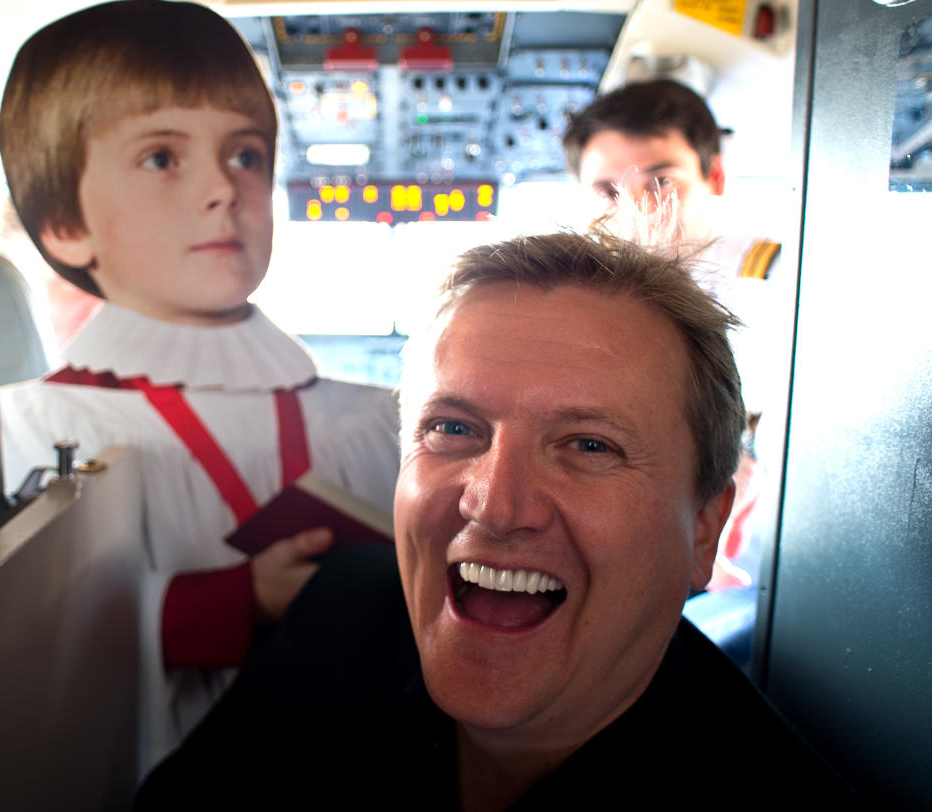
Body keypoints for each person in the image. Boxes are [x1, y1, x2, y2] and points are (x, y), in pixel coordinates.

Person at [136, 231, 859, 809]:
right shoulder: (343, 605)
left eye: (588, 445)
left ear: (703, 530)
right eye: (453, 429)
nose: (494, 503)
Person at [0, 0, 400, 775]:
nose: (223, 188)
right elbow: (24, 658)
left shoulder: (379, 418)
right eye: (162, 158)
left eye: (246, 155)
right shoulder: (32, 425)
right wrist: (236, 601)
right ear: (62, 222)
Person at [564, 81, 791, 649]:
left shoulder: (776, 278)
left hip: (750, 564)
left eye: (662, 181)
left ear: (714, 178)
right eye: (608, 190)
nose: (640, 207)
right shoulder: (575, 295)